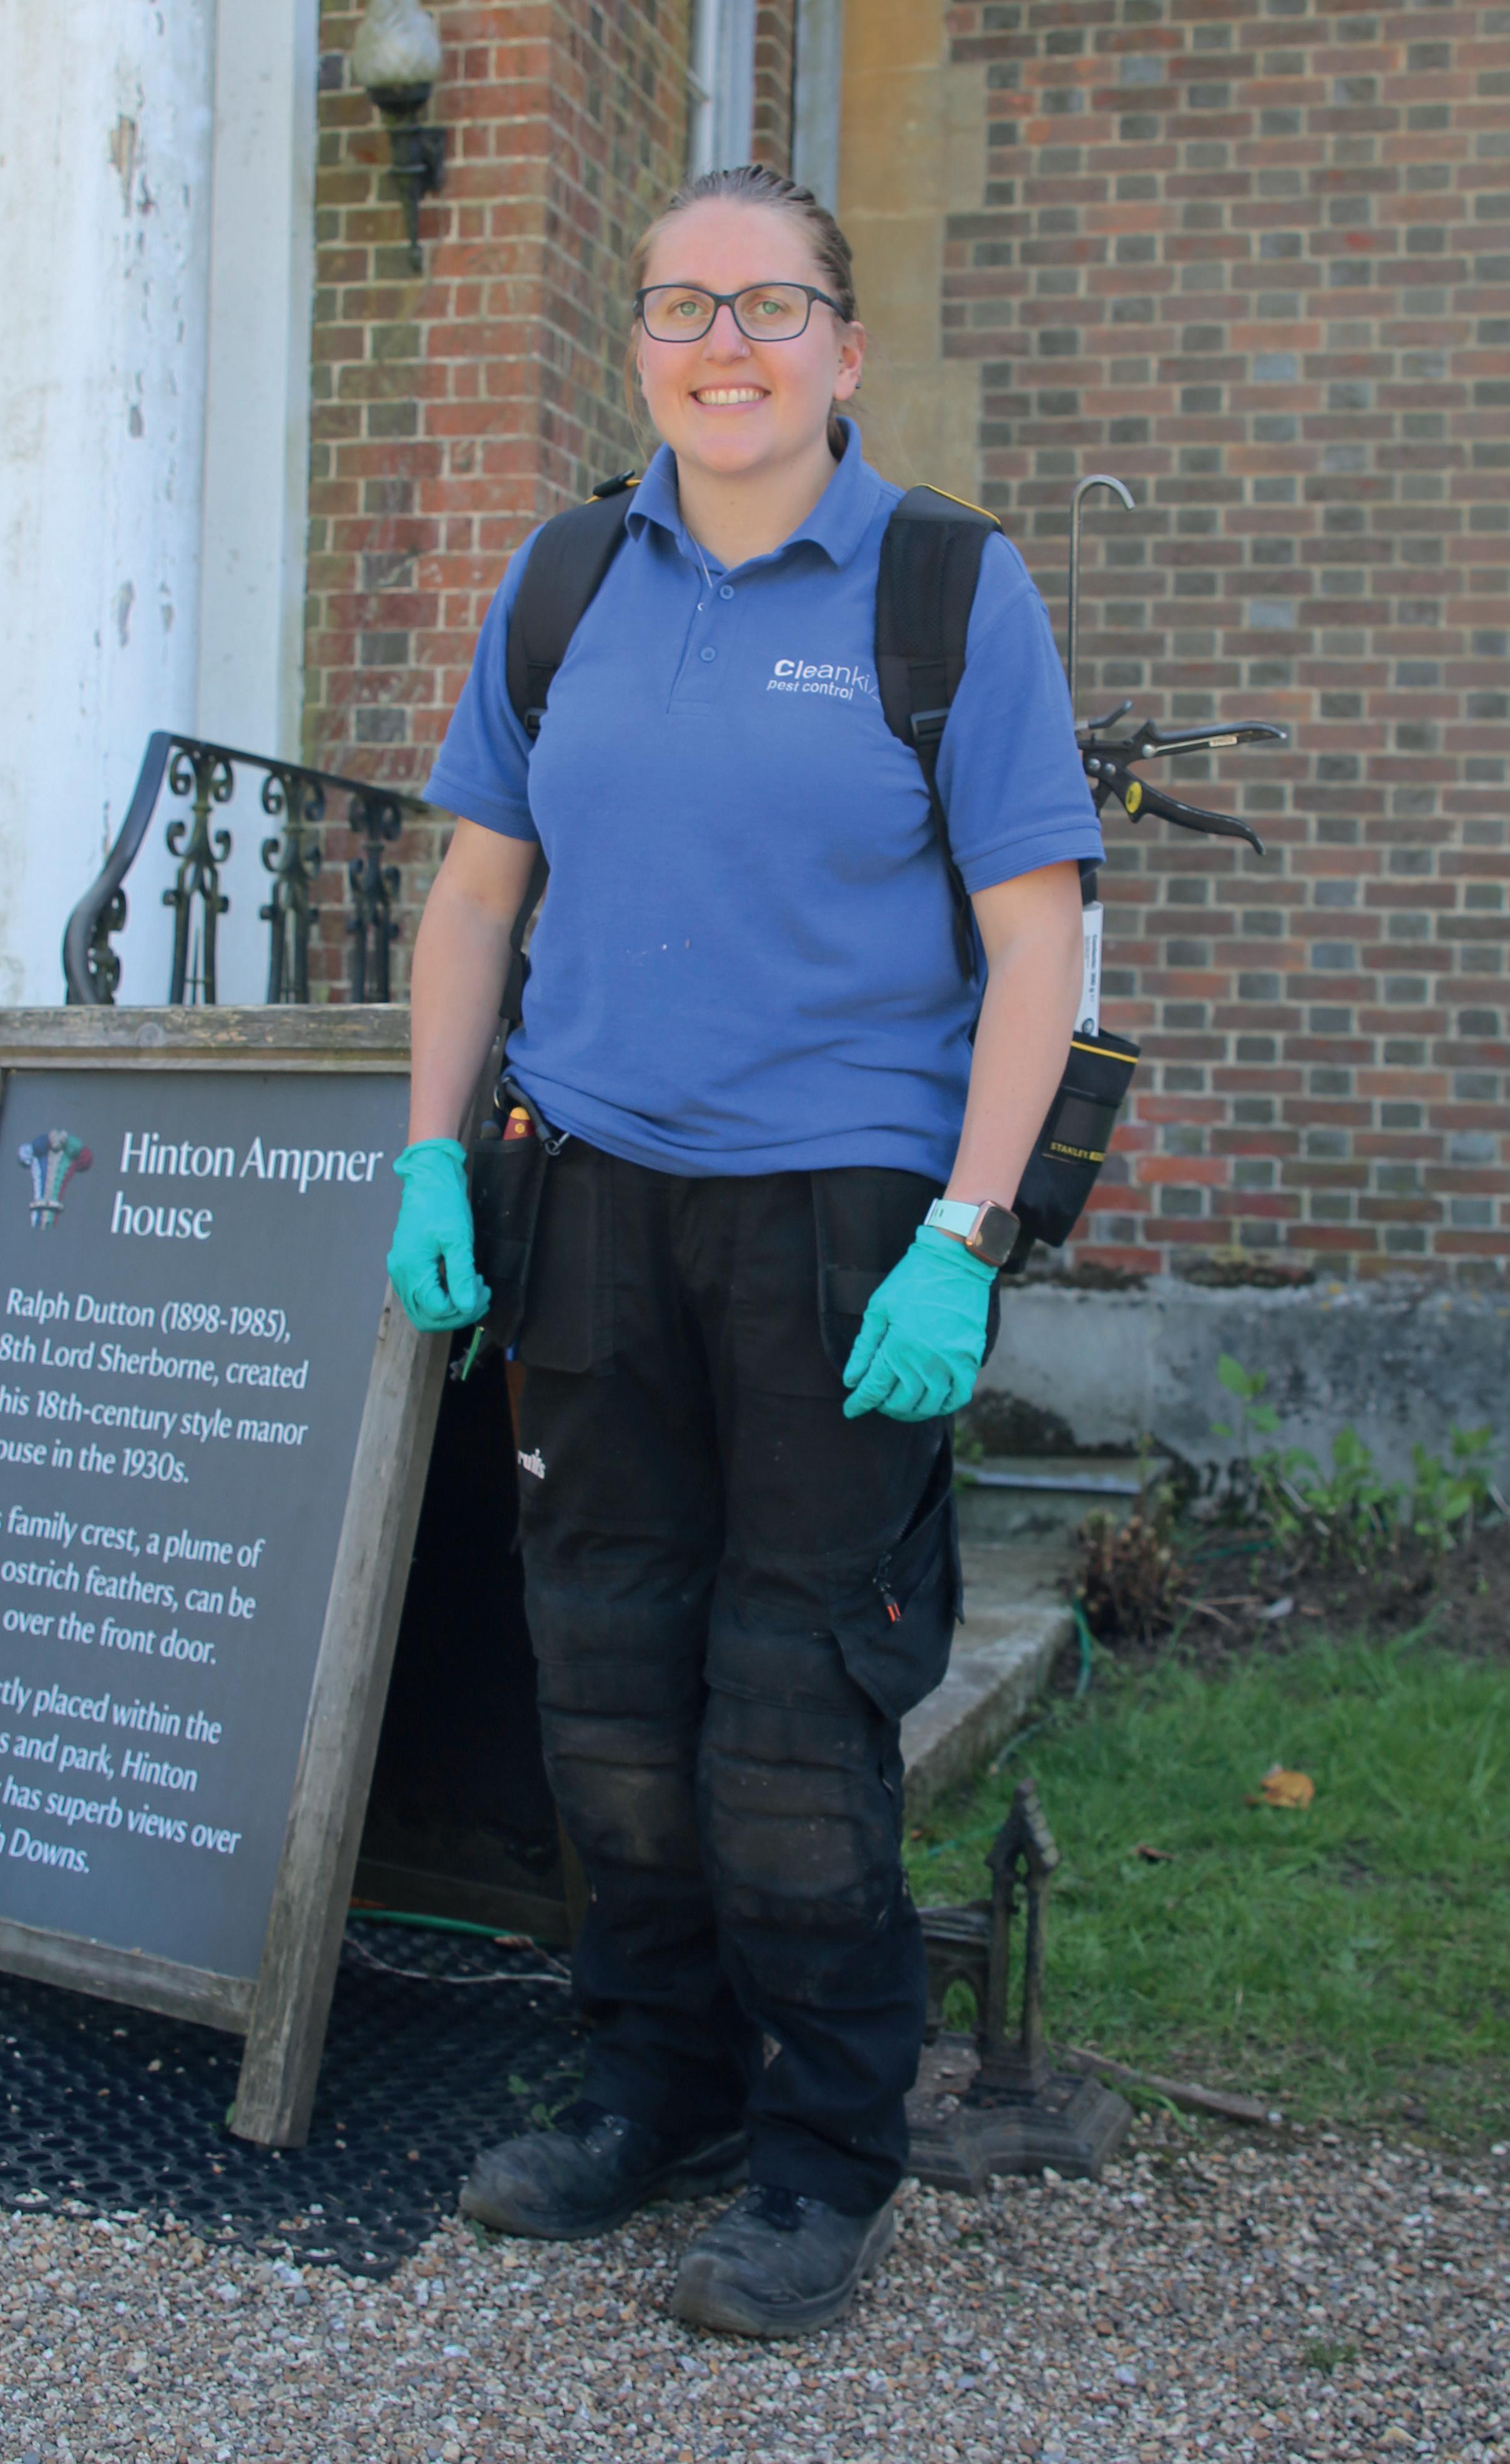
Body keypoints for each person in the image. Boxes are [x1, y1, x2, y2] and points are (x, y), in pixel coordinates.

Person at [385, 164, 1103, 2339]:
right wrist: (428, 1157)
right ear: (637, 345)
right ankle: (657, 2088)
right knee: (606, 1685)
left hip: (838, 1229)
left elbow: (1036, 941)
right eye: (684, 305)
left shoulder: (945, 589)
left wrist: (964, 1235)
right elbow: (475, 895)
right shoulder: (565, 579)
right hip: (590, 1201)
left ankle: (819, 2153)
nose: (726, 343)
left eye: (771, 305)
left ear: (842, 347)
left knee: (792, 1716)